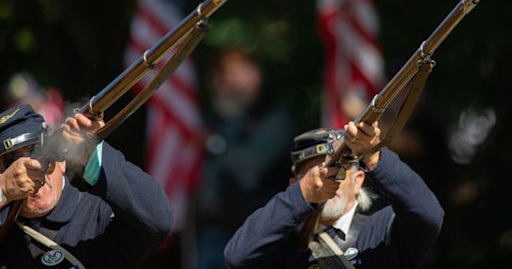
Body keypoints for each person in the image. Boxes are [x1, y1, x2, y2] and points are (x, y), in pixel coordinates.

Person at [224, 120, 444, 268]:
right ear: (296, 184)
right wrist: (300, 196)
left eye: (339, 167)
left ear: (358, 181)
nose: (327, 177)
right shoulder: (282, 242)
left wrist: (374, 157)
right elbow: (237, 256)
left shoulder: (383, 230)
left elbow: (428, 215)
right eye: (314, 173)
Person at [0, 104, 172, 268]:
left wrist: (90, 153)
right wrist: (3, 191)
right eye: (11, 163)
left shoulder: (100, 212)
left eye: (37, 153)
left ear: (61, 161)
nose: (30, 168)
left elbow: (157, 221)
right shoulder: (5, 231)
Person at [196, 48, 295, 268]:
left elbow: (250, 166)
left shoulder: (274, 116)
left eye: (234, 75)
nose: (226, 83)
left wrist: (213, 145)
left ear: (255, 76)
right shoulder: (211, 119)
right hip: (211, 235)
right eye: (221, 76)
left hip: (258, 237)